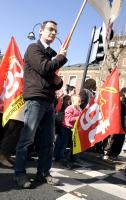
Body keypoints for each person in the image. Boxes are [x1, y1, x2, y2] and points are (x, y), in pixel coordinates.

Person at [14, 20, 68, 189]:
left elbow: (56, 82)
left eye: (55, 31)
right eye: (50, 30)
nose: (53, 33)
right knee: (27, 138)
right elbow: (45, 69)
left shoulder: (49, 55)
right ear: (41, 31)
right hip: (36, 99)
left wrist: (57, 77)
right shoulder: (33, 48)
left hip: (48, 101)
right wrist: (61, 57)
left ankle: (43, 173)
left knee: (48, 141)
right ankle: (20, 174)